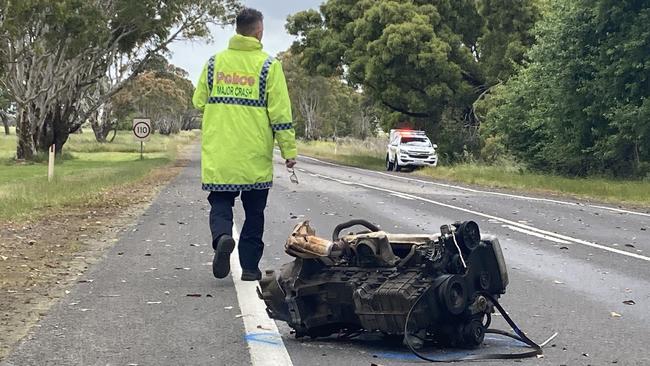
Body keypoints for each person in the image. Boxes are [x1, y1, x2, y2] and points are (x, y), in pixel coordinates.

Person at [192, 8, 297, 281]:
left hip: (221, 154)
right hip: (254, 155)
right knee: (254, 213)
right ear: (259, 32)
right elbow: (281, 115)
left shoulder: (214, 63)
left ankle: (223, 237)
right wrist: (289, 151)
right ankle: (250, 268)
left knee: (220, 203)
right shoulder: (268, 66)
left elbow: (198, 100)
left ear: (236, 30)